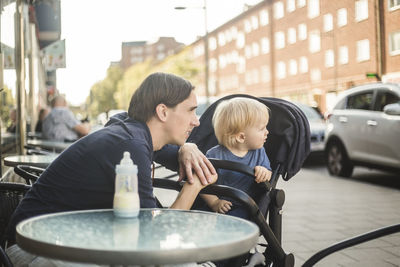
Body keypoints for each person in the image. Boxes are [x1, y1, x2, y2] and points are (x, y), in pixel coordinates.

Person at [5, 72, 217, 266]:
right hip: (35, 251)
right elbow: (151, 236)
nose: (197, 121)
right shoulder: (130, 144)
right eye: (191, 110)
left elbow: (170, 152)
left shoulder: (129, 130)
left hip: (57, 242)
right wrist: (194, 186)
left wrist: (187, 147)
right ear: (162, 112)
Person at [200, 97, 272, 220]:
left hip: (245, 206)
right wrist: (214, 202)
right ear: (241, 137)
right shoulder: (214, 155)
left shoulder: (259, 152)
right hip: (217, 205)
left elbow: (269, 174)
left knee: (236, 220)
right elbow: (201, 183)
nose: (267, 132)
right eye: (262, 129)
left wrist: (264, 172)